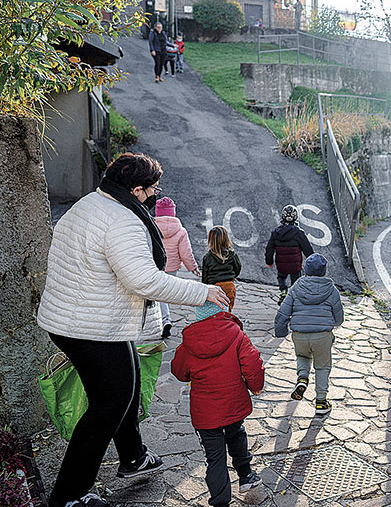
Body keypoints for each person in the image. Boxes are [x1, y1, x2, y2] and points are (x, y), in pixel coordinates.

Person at [37, 153, 230, 507]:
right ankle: (68, 495)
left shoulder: (92, 202)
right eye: (153, 189)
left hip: (77, 317)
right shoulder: (121, 221)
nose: (156, 194)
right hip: (88, 326)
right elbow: (143, 280)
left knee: (126, 386)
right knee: (108, 405)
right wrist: (202, 291)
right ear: (137, 190)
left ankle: (134, 456)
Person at [171, 301, 264, 507]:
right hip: (233, 404)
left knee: (215, 458)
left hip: (205, 413)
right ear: (222, 312)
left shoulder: (189, 341)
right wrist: (256, 386)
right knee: (237, 433)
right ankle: (246, 476)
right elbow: (253, 363)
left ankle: (221, 502)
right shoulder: (237, 334)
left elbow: (179, 371)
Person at [273, 254, 343, 414]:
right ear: (324, 271)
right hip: (322, 335)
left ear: (305, 269)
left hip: (300, 334)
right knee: (322, 366)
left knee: (302, 356)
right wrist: (334, 323)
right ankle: (321, 402)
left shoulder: (296, 288)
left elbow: (283, 312)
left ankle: (302, 378)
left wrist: (281, 331)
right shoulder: (331, 290)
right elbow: (339, 318)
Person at [154, 196, 200, 338]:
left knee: (158, 294)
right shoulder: (181, 231)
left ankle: (164, 319)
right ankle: (165, 318)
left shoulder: (151, 227)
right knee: (164, 294)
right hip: (172, 268)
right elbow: (186, 253)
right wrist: (193, 267)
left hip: (156, 265)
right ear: (173, 212)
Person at [265, 205, 314, 303]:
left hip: (281, 263)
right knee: (296, 280)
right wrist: (312, 260)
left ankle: (283, 290)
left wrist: (269, 261)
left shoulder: (276, 232)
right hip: (295, 265)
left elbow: (269, 248)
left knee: (281, 277)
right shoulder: (299, 233)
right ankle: (293, 297)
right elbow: (307, 248)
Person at [202, 226, 242, 311]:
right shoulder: (232, 254)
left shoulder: (208, 257)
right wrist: (233, 276)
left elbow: (205, 276)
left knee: (216, 311)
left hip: (215, 288)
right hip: (229, 286)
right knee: (228, 310)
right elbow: (238, 267)